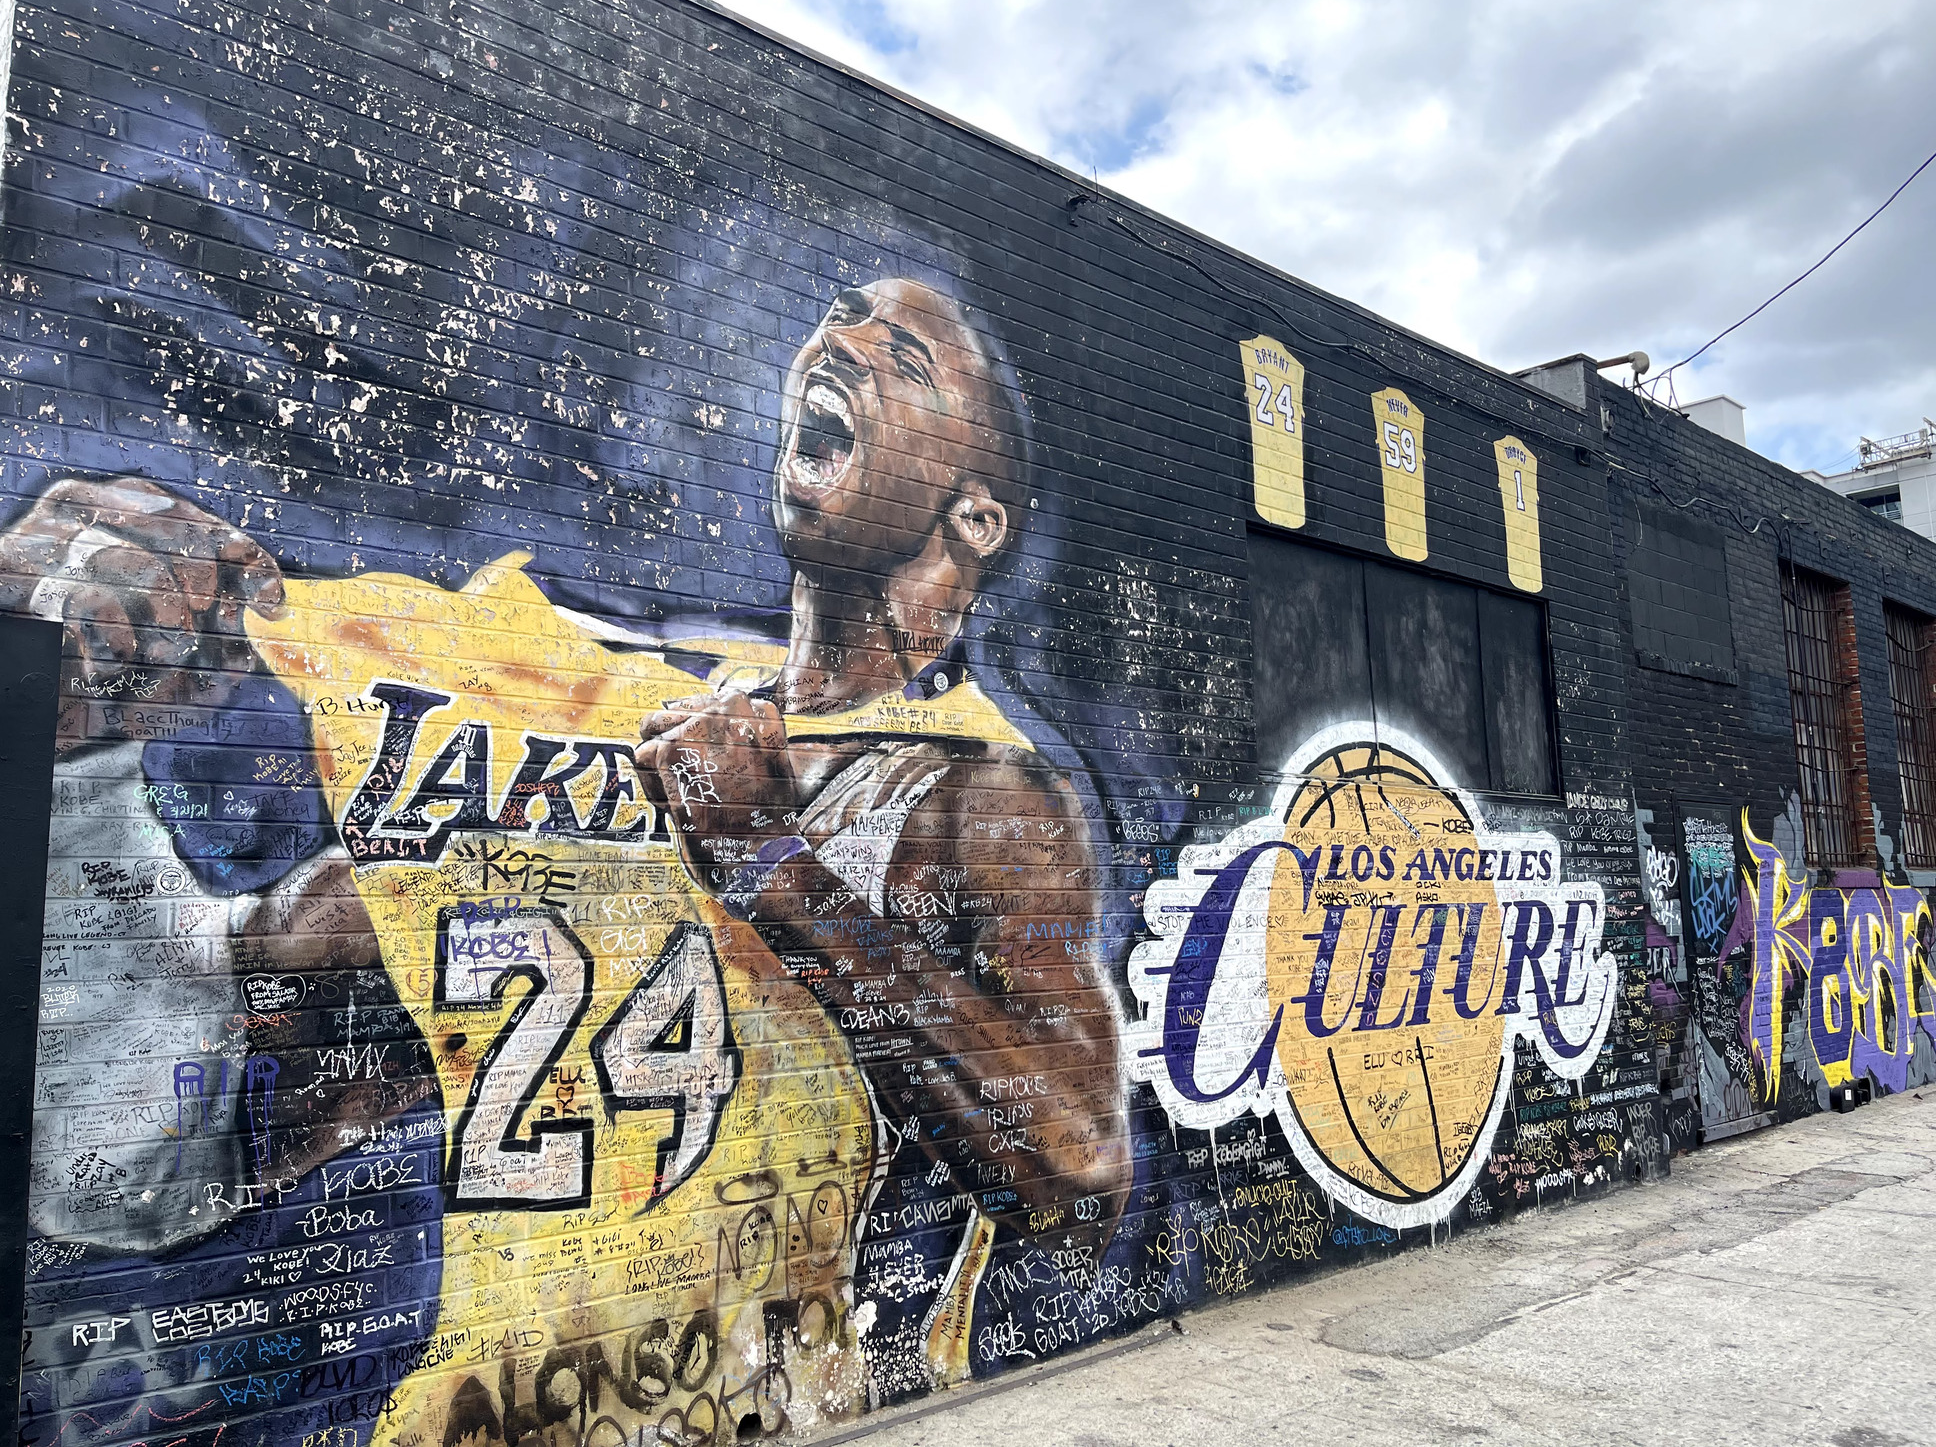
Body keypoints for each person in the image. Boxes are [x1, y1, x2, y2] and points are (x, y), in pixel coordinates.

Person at [2, 277, 1132, 1434]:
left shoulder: (976, 791)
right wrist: (76, 755)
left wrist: (760, 856)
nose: (838, 339)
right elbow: (141, 1157)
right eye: (837, 315)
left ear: (974, 520)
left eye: (900, 356)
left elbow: (1078, 1179)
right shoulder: (600, 725)